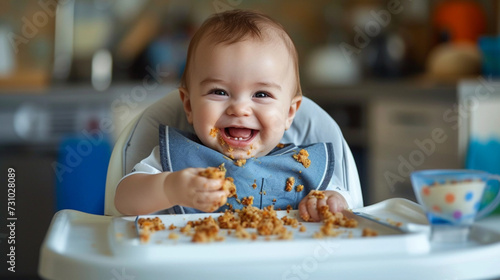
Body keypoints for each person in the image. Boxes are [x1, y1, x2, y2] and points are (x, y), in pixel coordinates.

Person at [114, 9, 361, 222]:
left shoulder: (303, 165)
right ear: (188, 106)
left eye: (261, 94)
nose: (240, 109)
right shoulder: (178, 160)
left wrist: (331, 201)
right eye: (219, 92)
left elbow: (346, 201)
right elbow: (124, 200)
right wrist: (170, 188)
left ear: (289, 113)